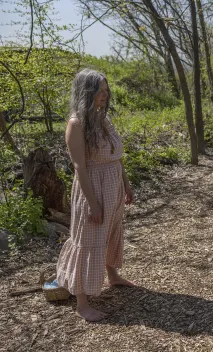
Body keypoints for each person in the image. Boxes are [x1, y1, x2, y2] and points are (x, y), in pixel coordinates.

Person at [56, 69, 135, 322]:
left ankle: (112, 276)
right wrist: (92, 203)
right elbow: (79, 167)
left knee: (112, 231)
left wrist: (126, 184)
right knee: (88, 239)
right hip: (93, 189)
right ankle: (81, 303)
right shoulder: (76, 124)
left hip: (113, 186)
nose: (105, 94)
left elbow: (116, 156)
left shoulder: (104, 118)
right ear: (86, 92)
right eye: (99, 90)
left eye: (106, 89)